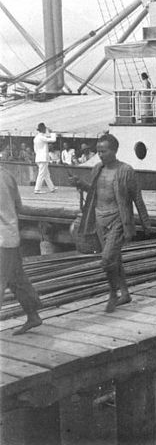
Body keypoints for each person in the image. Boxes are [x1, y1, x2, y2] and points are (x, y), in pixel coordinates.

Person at [70, 134, 151, 312]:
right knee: (115, 259)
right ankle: (125, 293)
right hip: (99, 220)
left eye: (104, 151)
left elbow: (137, 197)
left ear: (114, 151)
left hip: (118, 219)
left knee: (107, 259)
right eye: (98, 151)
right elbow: (94, 191)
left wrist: (146, 224)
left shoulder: (126, 170)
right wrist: (79, 183)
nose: (100, 155)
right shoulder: (97, 168)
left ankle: (113, 293)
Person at [0, 167, 43, 335]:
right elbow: (19, 206)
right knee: (16, 278)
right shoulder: (7, 174)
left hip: (2, 240)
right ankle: (33, 315)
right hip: (10, 236)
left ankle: (33, 314)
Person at [33, 122, 57, 194]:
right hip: (43, 158)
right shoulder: (41, 137)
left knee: (46, 174)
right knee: (41, 174)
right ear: (43, 129)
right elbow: (53, 140)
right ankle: (37, 189)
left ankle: (52, 188)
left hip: (38, 157)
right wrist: (52, 133)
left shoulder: (36, 138)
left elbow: (35, 149)